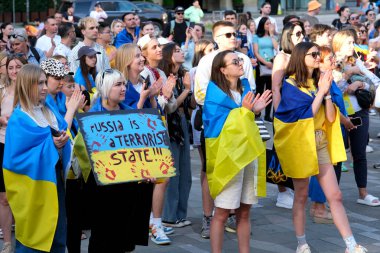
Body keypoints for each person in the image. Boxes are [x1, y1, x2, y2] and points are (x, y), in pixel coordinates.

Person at [274, 41, 368, 253]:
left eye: (318, 54)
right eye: (313, 54)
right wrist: (321, 92)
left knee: (335, 195)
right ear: (301, 58)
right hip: (300, 144)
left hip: (320, 142)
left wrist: (326, 93)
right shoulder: (290, 84)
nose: (318, 58)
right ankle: (301, 243)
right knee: (300, 195)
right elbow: (303, 115)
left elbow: (330, 116)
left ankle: (351, 245)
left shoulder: (320, 81)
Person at [204, 50, 271, 253]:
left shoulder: (246, 89)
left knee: (245, 211)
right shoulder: (214, 95)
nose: (240, 63)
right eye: (235, 61)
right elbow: (218, 129)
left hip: (248, 155)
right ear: (222, 70)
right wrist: (246, 110)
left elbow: (246, 119)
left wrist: (254, 110)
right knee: (222, 213)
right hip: (228, 159)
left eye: (240, 60)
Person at [4, 63, 72, 252]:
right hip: (34, 188)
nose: (44, 88)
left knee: (57, 234)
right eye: (39, 83)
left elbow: (61, 132)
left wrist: (62, 141)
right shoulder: (19, 119)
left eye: (44, 82)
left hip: (54, 181)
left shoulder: (48, 109)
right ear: (27, 85)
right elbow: (15, 162)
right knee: (35, 238)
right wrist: (52, 145)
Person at [332, 30, 380, 207]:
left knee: (360, 154)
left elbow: (374, 82)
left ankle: (363, 192)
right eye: (348, 43)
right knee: (337, 155)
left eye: (353, 42)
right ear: (338, 45)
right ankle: (333, 194)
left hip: (360, 113)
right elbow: (332, 89)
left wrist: (360, 83)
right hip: (339, 115)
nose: (353, 46)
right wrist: (346, 76)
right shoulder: (330, 62)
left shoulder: (356, 61)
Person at [138, 34, 177, 245]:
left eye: (159, 46)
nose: (159, 49)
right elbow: (147, 108)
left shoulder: (160, 72)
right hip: (148, 133)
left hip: (161, 129)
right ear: (144, 53)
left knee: (161, 178)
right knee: (161, 177)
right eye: (154, 47)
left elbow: (167, 108)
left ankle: (153, 222)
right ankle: (156, 223)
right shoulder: (143, 74)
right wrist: (163, 97)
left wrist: (168, 96)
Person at [159, 43, 193, 230]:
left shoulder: (183, 75)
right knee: (173, 171)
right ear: (169, 56)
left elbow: (192, 105)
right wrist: (186, 90)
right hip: (170, 125)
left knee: (185, 172)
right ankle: (169, 216)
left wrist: (191, 88)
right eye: (177, 51)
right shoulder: (166, 77)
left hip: (182, 123)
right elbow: (170, 106)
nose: (181, 53)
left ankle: (180, 214)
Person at [271, 22, 305, 209]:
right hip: (285, 110)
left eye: (302, 33)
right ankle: (282, 191)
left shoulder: (301, 56)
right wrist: (279, 113)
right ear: (289, 36)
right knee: (281, 150)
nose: (301, 36)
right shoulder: (282, 58)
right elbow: (276, 87)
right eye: (298, 33)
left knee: (296, 149)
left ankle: (292, 187)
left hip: (301, 111)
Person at [0, 54, 27, 253]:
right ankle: (8, 242)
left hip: (24, 147)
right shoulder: (1, 91)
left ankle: (25, 239)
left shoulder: (30, 91)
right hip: (3, 145)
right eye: (11, 67)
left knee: (24, 195)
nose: (14, 71)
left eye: (18, 67)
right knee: (4, 197)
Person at [188, 39, 214, 238]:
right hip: (205, 122)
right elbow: (195, 100)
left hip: (227, 126)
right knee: (207, 168)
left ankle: (228, 212)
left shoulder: (231, 66)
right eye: (209, 50)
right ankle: (207, 217)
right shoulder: (198, 70)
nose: (213, 53)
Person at [114, 43, 160, 110]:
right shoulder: (120, 87)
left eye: (141, 55)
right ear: (127, 61)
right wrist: (142, 99)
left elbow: (158, 113)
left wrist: (152, 98)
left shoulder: (145, 82)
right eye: (138, 56)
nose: (143, 59)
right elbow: (127, 116)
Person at [253, 17, 278, 122]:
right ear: (262, 25)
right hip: (261, 64)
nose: (269, 26)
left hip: (272, 65)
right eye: (267, 24)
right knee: (259, 89)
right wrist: (265, 62)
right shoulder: (256, 37)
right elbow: (256, 52)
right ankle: (256, 112)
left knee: (270, 90)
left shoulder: (273, 36)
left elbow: (276, 47)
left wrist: (272, 34)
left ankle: (268, 114)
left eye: (270, 24)